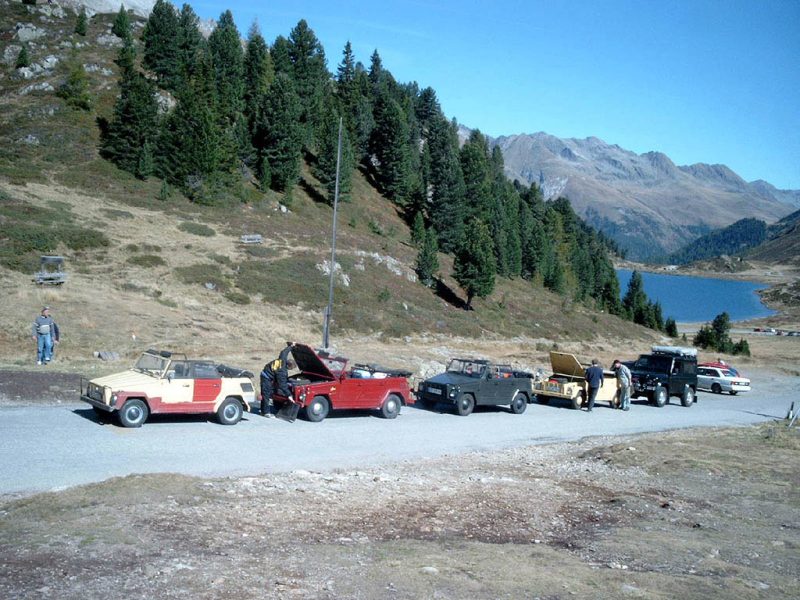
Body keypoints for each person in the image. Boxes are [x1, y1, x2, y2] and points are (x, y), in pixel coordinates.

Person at [259, 342, 295, 417]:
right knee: (266, 394)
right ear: (289, 367)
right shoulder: (282, 372)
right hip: (266, 377)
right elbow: (282, 385)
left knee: (265, 393)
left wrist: (291, 346)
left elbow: (284, 352)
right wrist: (289, 395)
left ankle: (263, 410)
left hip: (265, 373)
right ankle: (266, 412)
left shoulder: (282, 359)